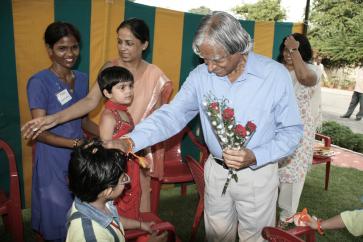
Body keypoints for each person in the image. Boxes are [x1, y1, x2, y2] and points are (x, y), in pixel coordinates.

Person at [107, 11, 303, 242]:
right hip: (216, 171)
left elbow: (292, 132)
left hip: (258, 174)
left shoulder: (274, 75)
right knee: (216, 236)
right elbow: (172, 115)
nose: (209, 68)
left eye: (217, 60)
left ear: (240, 49)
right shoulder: (201, 76)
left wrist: (255, 155)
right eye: (204, 59)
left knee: (257, 238)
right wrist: (131, 140)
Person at [22, 18, 173, 213]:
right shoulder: (109, 67)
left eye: (129, 43)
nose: (122, 48)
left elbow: (159, 121)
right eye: (119, 41)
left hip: (138, 149)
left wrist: (137, 145)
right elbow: (89, 102)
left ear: (144, 44)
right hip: (110, 151)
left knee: (137, 201)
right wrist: (53, 118)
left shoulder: (156, 76)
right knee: (108, 205)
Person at [26, 21, 98, 241]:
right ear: (49, 50)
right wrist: (75, 144)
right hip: (53, 159)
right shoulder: (39, 82)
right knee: (57, 216)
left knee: (81, 214)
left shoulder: (83, 78)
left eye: (74, 47)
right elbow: (39, 132)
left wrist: (109, 135)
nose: (70, 54)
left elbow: (83, 121)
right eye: (62, 48)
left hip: (79, 158)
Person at [67, 139, 167, 242]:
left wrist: (141, 225)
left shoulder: (95, 201)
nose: (127, 179)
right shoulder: (91, 236)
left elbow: (113, 219)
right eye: (123, 178)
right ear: (108, 191)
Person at [276, 33, 321, 229]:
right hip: (274, 130)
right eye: (285, 49)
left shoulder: (311, 70)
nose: (288, 54)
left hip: (299, 133)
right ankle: (263, 212)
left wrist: (294, 50)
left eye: (293, 50)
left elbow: (304, 78)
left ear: (302, 52)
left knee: (292, 177)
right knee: (269, 173)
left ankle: (285, 218)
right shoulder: (275, 70)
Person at [97, 66, 144, 220]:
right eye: (122, 87)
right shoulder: (109, 117)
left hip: (131, 167)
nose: (129, 91)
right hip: (118, 172)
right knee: (119, 208)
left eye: (130, 86)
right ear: (107, 93)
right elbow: (105, 149)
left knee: (133, 200)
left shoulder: (125, 112)